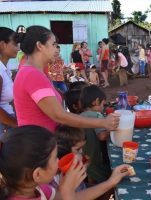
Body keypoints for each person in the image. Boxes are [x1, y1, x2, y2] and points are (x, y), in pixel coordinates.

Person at [13, 25, 120, 133]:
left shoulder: (35, 71)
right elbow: (59, 116)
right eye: (54, 44)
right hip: (38, 144)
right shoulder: (32, 75)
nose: (57, 49)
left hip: (42, 140)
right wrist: (103, 122)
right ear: (40, 45)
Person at [0, 125, 131, 200]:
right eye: (54, 158)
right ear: (38, 174)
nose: (58, 161)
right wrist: (67, 191)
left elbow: (76, 197)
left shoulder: (37, 189)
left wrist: (111, 182)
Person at [79, 85, 111, 185]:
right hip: (96, 157)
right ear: (96, 101)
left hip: (85, 156)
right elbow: (102, 136)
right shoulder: (97, 115)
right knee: (102, 177)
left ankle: (91, 186)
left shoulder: (80, 117)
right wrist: (111, 129)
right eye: (103, 104)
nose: (103, 107)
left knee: (91, 174)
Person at [0, 27, 18, 137]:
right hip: (4, 126)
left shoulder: (5, 70)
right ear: (3, 44)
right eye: (15, 44)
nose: (18, 48)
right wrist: (16, 124)